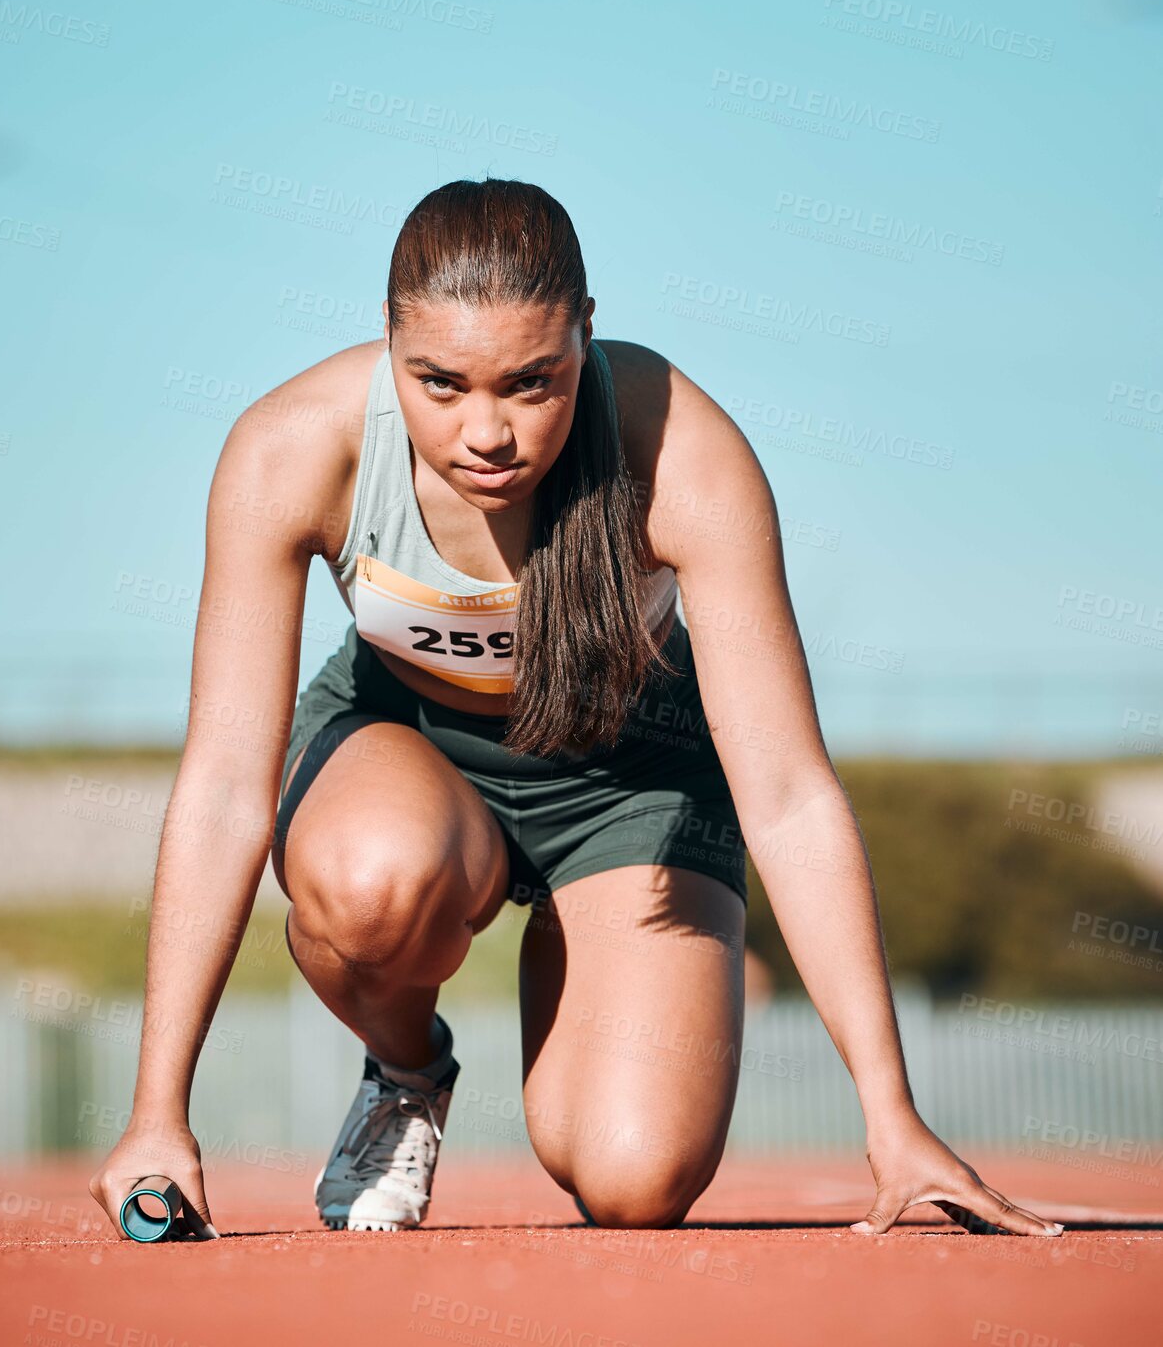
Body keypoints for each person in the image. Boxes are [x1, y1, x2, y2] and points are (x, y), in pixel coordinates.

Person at [88, 176, 1064, 1240]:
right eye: (441, 382)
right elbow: (227, 786)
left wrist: (893, 1112)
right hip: (412, 758)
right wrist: (155, 1111)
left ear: (586, 335)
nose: (488, 431)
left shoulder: (680, 450)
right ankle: (410, 1071)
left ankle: (582, 927)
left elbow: (785, 792)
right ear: (386, 340)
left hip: (630, 785)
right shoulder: (291, 449)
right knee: (373, 880)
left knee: (635, 1181)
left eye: (531, 382)